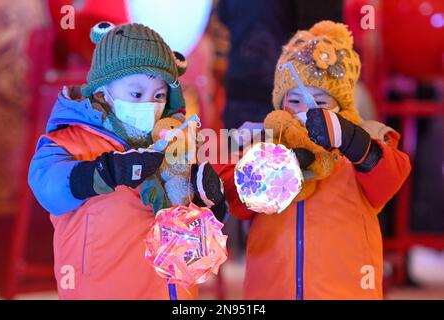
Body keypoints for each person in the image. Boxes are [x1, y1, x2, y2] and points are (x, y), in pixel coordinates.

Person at [28, 22, 225, 299]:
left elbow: (197, 241)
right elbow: (48, 188)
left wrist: (211, 203)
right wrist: (107, 171)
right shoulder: (68, 142)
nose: (150, 104)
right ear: (101, 91)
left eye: (159, 95)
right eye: (136, 94)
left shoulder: (177, 148)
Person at [216, 21, 412, 299]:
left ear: (341, 104)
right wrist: (264, 165)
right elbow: (236, 200)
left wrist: (351, 141)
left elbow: (391, 179)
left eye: (319, 103)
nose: (306, 112)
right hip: (271, 291)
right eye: (294, 101)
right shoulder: (266, 143)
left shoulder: (368, 138)